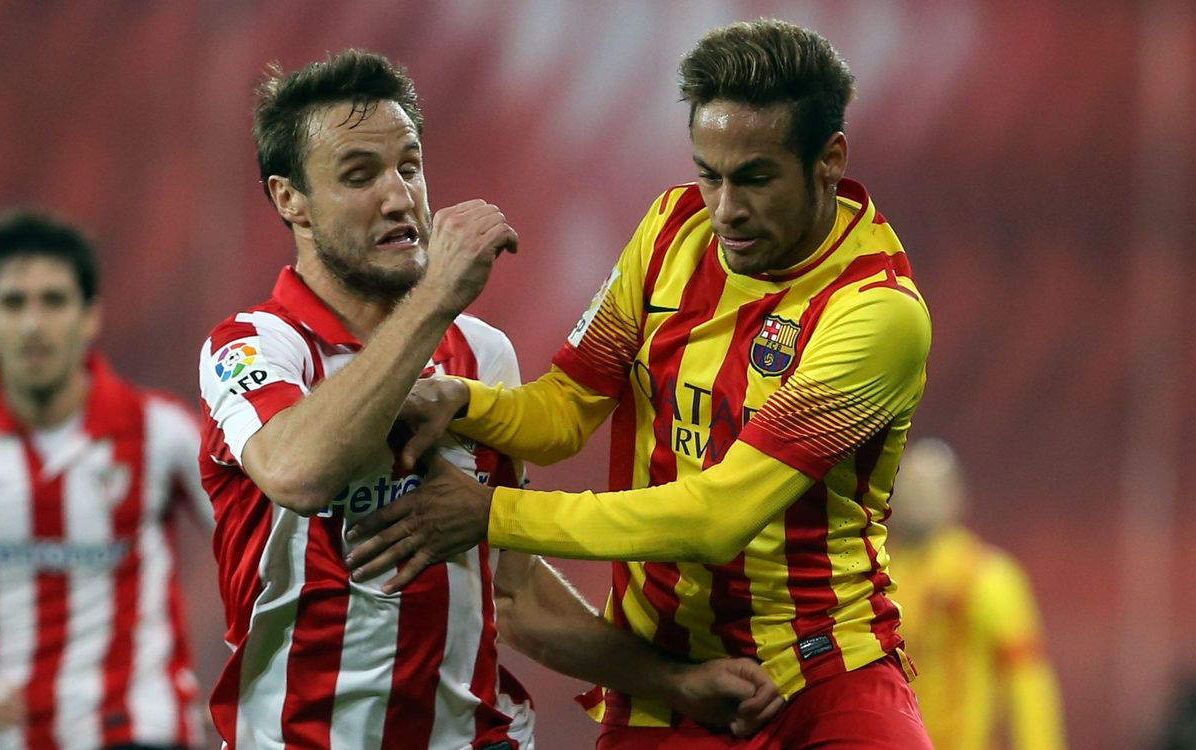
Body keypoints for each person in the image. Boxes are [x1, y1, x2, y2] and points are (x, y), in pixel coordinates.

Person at [348, 18, 934, 750]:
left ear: (829, 160)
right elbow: (566, 410)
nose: (727, 209)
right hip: (667, 679)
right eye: (710, 174)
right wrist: (466, 403)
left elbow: (718, 517)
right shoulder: (671, 232)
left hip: (823, 671)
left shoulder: (875, 312)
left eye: (756, 178)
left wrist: (491, 513)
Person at [197, 49, 781, 750]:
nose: (399, 198)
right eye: (359, 175)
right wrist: (436, 295)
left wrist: (675, 683)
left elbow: (514, 590)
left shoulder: (480, 354)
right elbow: (298, 472)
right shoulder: (251, 347)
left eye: (409, 167)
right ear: (289, 198)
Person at [0, 211, 212, 750]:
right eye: (13, 303)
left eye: (53, 301)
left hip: (137, 726)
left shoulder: (160, 430)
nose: (33, 325)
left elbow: (263, 550)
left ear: (90, 316)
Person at [886, 438, 1067, 750]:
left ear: (956, 495)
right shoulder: (880, 573)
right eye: (909, 486)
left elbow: (1028, 682)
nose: (918, 497)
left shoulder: (986, 575)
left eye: (929, 488)